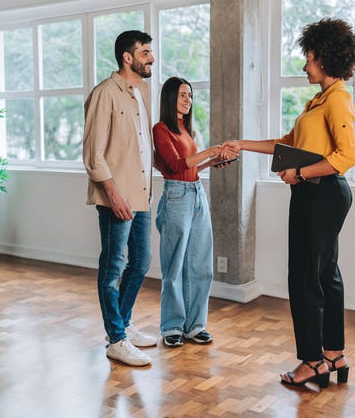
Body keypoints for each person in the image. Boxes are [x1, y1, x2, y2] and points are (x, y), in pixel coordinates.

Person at [224, 18, 355, 387]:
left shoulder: (337, 99)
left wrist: (300, 175)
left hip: (321, 192)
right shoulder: (319, 100)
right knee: (325, 273)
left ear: (326, 58)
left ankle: (312, 361)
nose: (305, 65)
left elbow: (347, 155)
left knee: (304, 276)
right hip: (319, 192)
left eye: (310, 57)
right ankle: (333, 354)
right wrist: (243, 144)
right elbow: (289, 144)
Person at [83, 30, 157, 367]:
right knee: (113, 267)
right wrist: (114, 195)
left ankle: (123, 326)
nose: (150, 58)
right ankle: (116, 338)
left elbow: (142, 150)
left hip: (140, 194)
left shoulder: (141, 95)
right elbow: (93, 155)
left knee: (140, 262)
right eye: (144, 53)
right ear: (127, 57)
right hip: (117, 197)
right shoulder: (104, 94)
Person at [153, 76, 238, 348]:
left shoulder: (188, 130)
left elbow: (191, 168)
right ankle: (172, 327)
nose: (188, 100)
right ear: (170, 98)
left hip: (197, 194)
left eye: (189, 95)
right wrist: (210, 150)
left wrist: (213, 161)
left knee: (200, 265)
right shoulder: (161, 129)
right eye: (182, 95)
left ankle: (194, 326)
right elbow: (176, 166)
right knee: (175, 267)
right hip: (176, 196)